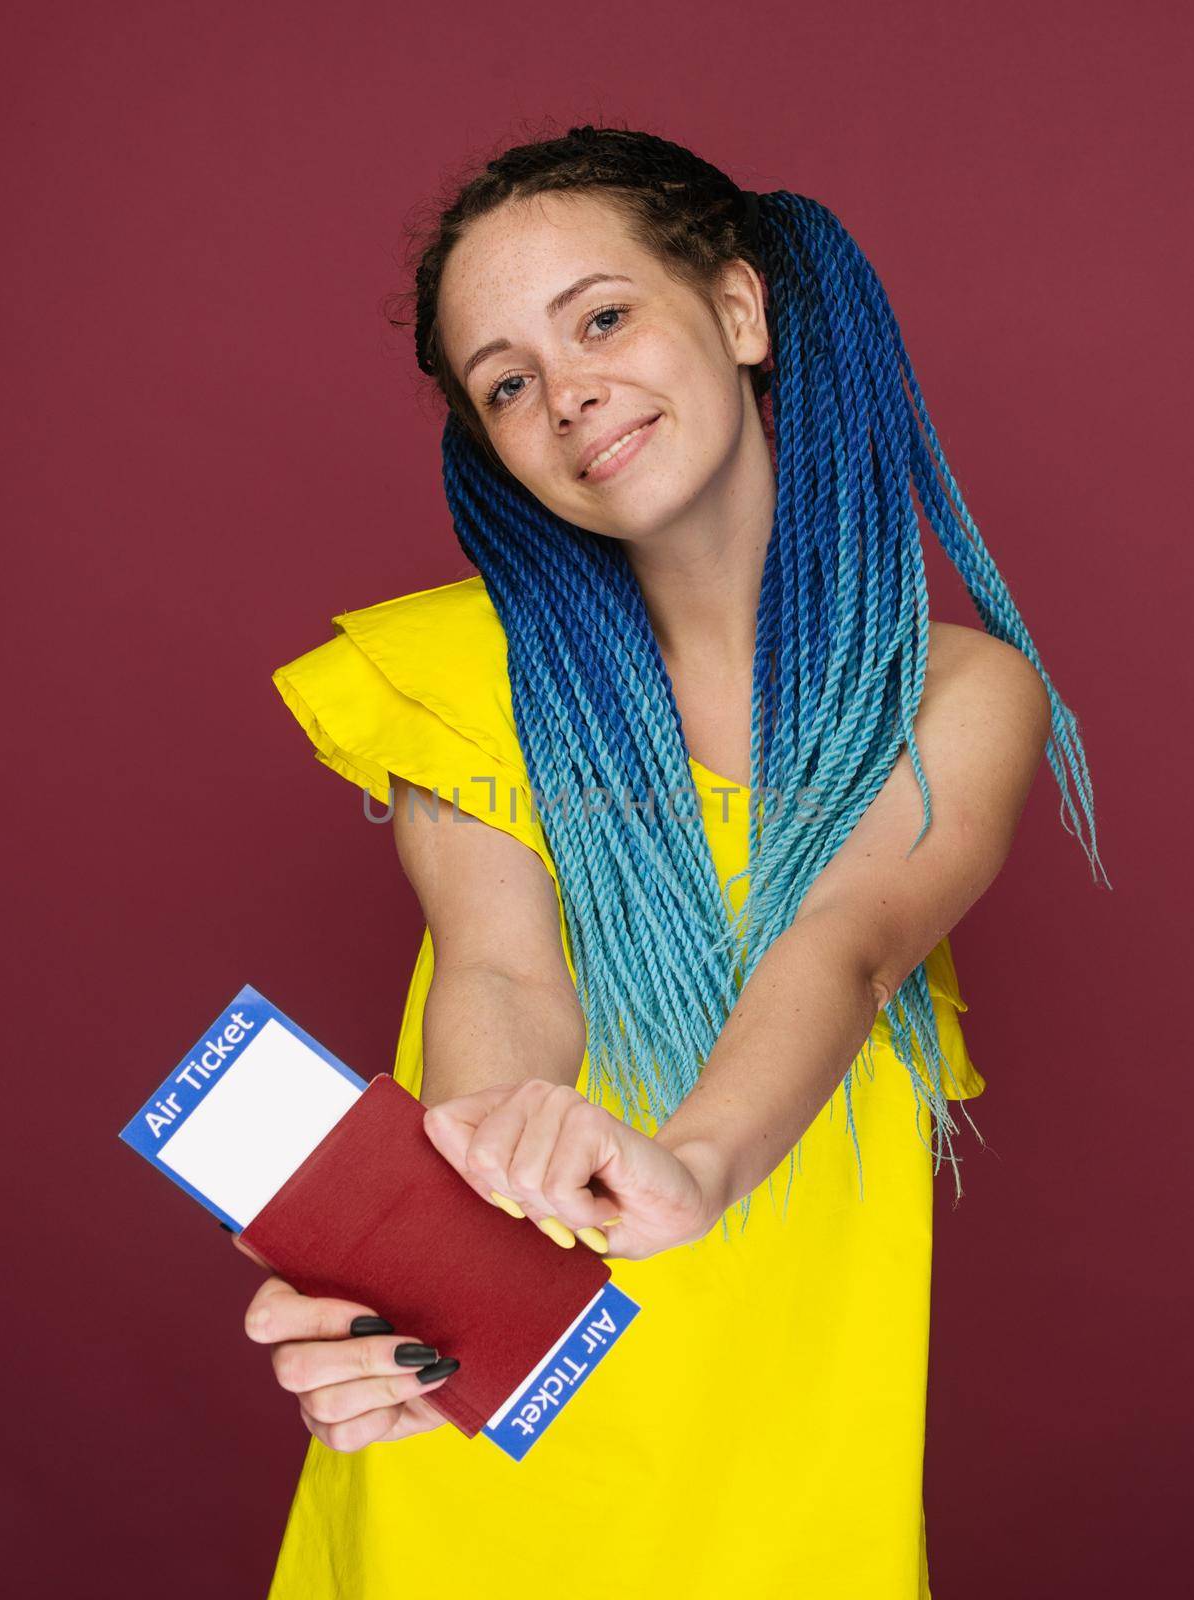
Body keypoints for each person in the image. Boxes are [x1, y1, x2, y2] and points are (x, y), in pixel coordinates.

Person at [247, 124, 1107, 1599]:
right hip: (495, 1448)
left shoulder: (956, 704)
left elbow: (846, 943)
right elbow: (503, 974)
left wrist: (693, 1165)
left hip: (781, 1457)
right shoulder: (466, 676)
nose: (566, 389)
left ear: (737, 308)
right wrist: (439, 1283)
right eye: (506, 381)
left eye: (601, 316)